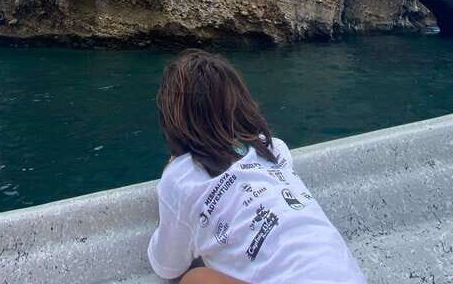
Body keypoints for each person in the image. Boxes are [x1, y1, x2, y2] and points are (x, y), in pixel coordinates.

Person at [147, 49, 367, 284]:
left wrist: (170, 178)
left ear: (173, 123)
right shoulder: (273, 148)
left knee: (195, 279)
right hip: (348, 277)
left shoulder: (181, 177)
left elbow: (168, 267)